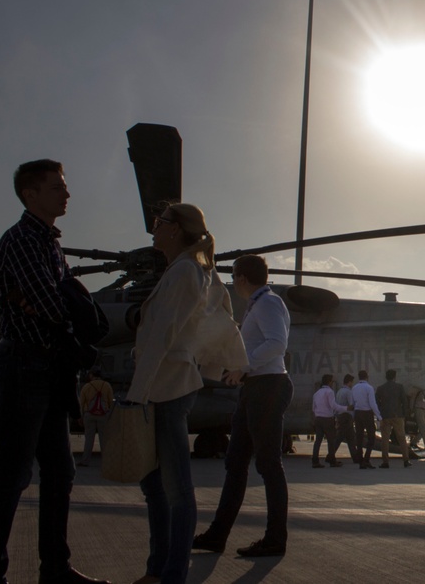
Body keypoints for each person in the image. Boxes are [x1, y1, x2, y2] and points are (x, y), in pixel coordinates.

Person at [0, 159, 111, 584]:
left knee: (61, 472)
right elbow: (53, 306)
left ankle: (56, 569)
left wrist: (68, 319)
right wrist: (72, 322)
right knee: (13, 474)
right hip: (25, 366)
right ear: (31, 194)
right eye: (57, 188)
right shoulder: (21, 242)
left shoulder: (49, 244)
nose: (66, 194)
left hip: (48, 369)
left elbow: (57, 306)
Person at [126, 203, 247, 584]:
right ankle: (159, 569)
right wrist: (209, 366)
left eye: (159, 223)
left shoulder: (183, 272)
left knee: (174, 490)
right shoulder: (193, 271)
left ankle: (171, 573)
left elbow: (163, 335)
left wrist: (136, 394)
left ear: (176, 230)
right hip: (169, 385)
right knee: (155, 487)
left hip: (165, 388)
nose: (153, 229)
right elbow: (216, 320)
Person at [192, 254, 293, 559]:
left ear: (242, 278)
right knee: (235, 463)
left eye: (234, 276)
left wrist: (244, 367)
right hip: (256, 388)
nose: (233, 282)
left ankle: (275, 539)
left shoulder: (268, 303)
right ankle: (217, 535)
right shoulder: (257, 305)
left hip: (268, 387)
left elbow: (278, 343)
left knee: (268, 465)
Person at [77, 366, 113, 467]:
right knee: (103, 439)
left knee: (89, 439)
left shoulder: (87, 386)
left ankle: (85, 461)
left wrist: (80, 417)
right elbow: (111, 402)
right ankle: (106, 461)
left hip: (89, 415)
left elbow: (81, 402)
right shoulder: (107, 386)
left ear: (92, 375)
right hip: (103, 415)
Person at [375, 369, 412, 468]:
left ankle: (385, 461)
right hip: (397, 415)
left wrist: (380, 413)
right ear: (395, 377)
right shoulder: (399, 387)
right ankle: (406, 460)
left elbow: (376, 402)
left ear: (386, 377)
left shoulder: (380, 388)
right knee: (401, 438)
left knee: (385, 440)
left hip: (385, 416)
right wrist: (405, 414)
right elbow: (404, 401)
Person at [311, 374, 348, 468]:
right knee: (331, 441)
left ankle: (315, 461)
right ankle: (332, 460)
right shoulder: (329, 392)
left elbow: (313, 408)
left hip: (318, 418)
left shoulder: (317, 393)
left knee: (318, 441)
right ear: (329, 382)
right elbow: (334, 406)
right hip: (327, 419)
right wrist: (346, 408)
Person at [351, 369, 380, 469]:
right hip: (367, 413)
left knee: (359, 437)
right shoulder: (369, 388)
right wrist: (379, 416)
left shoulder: (354, 388)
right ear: (367, 377)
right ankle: (366, 459)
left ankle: (360, 460)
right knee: (371, 437)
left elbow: (353, 403)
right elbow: (372, 404)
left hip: (358, 413)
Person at [333, 374, 360, 464]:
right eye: (351, 382)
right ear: (349, 382)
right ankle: (330, 455)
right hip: (346, 417)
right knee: (341, 437)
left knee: (350, 437)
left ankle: (355, 458)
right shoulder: (348, 392)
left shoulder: (339, 391)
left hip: (340, 416)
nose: (352, 384)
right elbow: (351, 405)